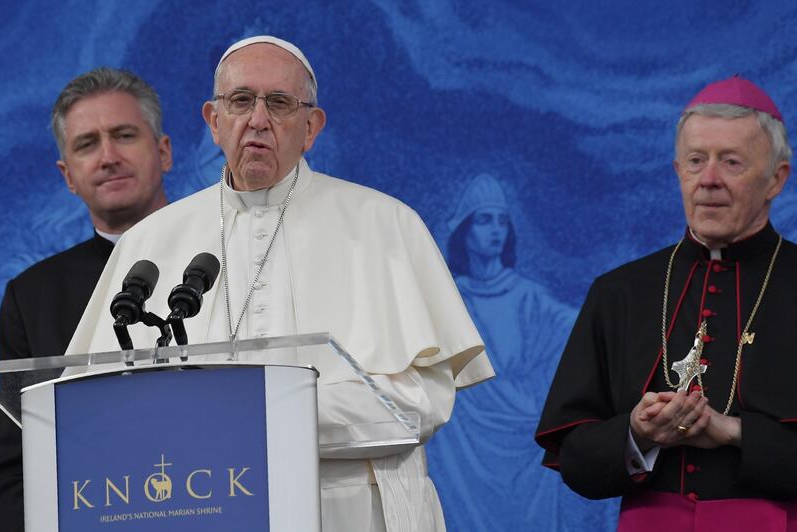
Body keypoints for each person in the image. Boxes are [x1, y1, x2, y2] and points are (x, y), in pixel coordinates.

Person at [67, 36, 494, 532]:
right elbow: (97, 409)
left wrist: (263, 416)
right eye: (241, 101)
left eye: (280, 103)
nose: (258, 119)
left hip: (352, 511)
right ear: (213, 121)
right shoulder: (149, 242)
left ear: (311, 127)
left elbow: (421, 404)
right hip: (198, 508)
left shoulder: (385, 225)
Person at [536, 75, 797, 531]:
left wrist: (735, 433)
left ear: (777, 179)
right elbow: (574, 458)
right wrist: (637, 434)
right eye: (696, 161)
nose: (709, 180)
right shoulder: (620, 292)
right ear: (678, 170)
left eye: (731, 162)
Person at [0, 67, 172, 532]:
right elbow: (12, 469)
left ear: (164, 151)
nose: (108, 156)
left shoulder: (231, 259)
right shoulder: (30, 298)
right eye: (86, 144)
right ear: (68, 175)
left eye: (124, 135)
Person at [431, 174, 614, 530]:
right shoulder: (448, 297)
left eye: (502, 221)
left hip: (522, 438)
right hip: (464, 445)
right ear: (465, 231)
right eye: (484, 220)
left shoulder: (527, 296)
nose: (495, 230)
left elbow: (574, 327)